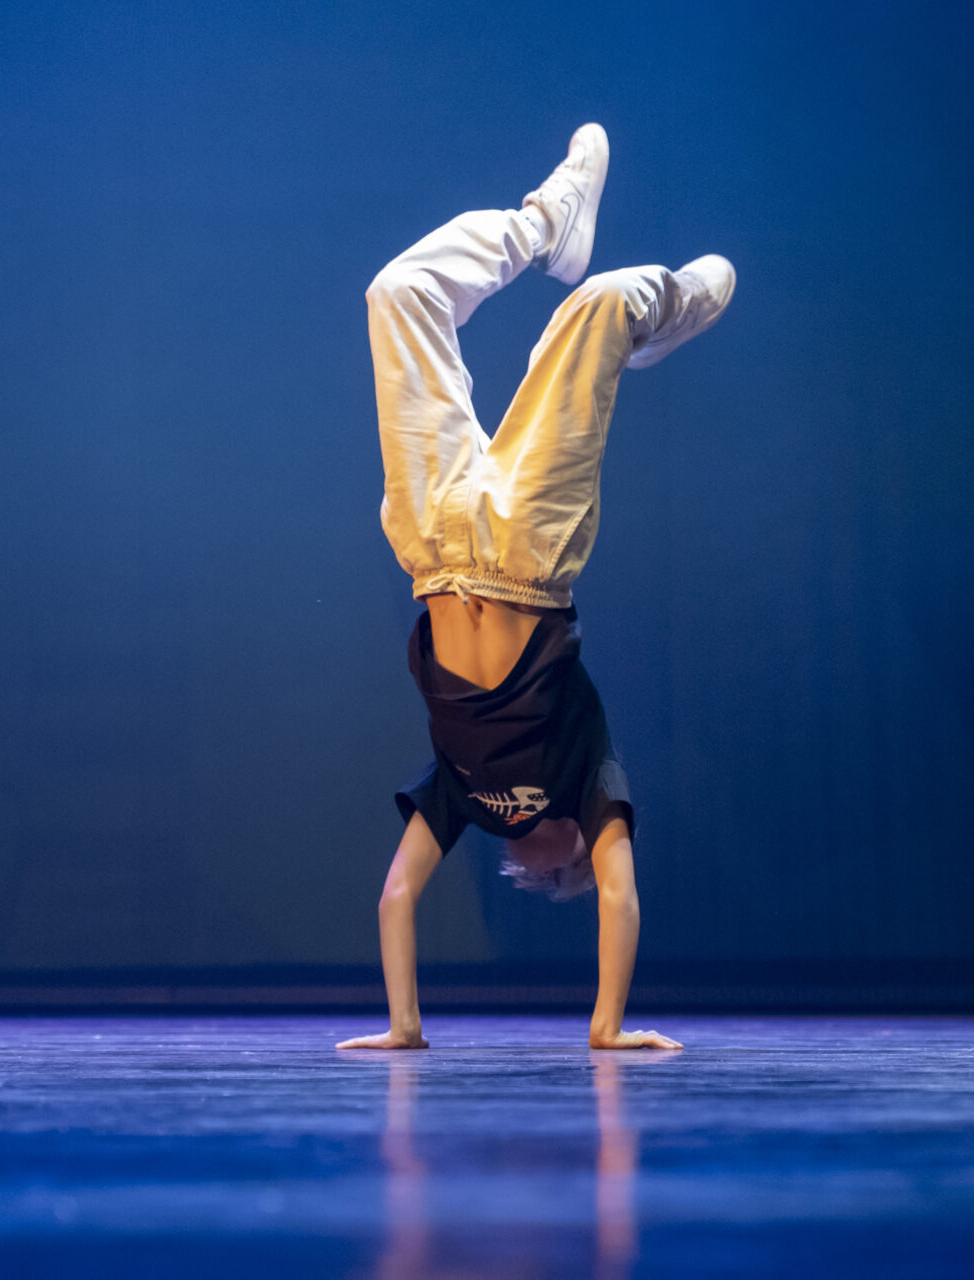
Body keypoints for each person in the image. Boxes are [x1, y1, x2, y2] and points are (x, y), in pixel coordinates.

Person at [337, 125, 732, 1052]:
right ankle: (660, 300)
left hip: (431, 546)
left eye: (530, 878)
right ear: (577, 858)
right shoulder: (588, 780)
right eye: (553, 878)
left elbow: (396, 897)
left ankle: (550, 227)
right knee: (601, 303)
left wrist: (403, 1027)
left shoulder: (466, 798)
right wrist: (607, 1028)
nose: (527, 869)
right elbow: (620, 896)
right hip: (526, 552)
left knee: (398, 293)